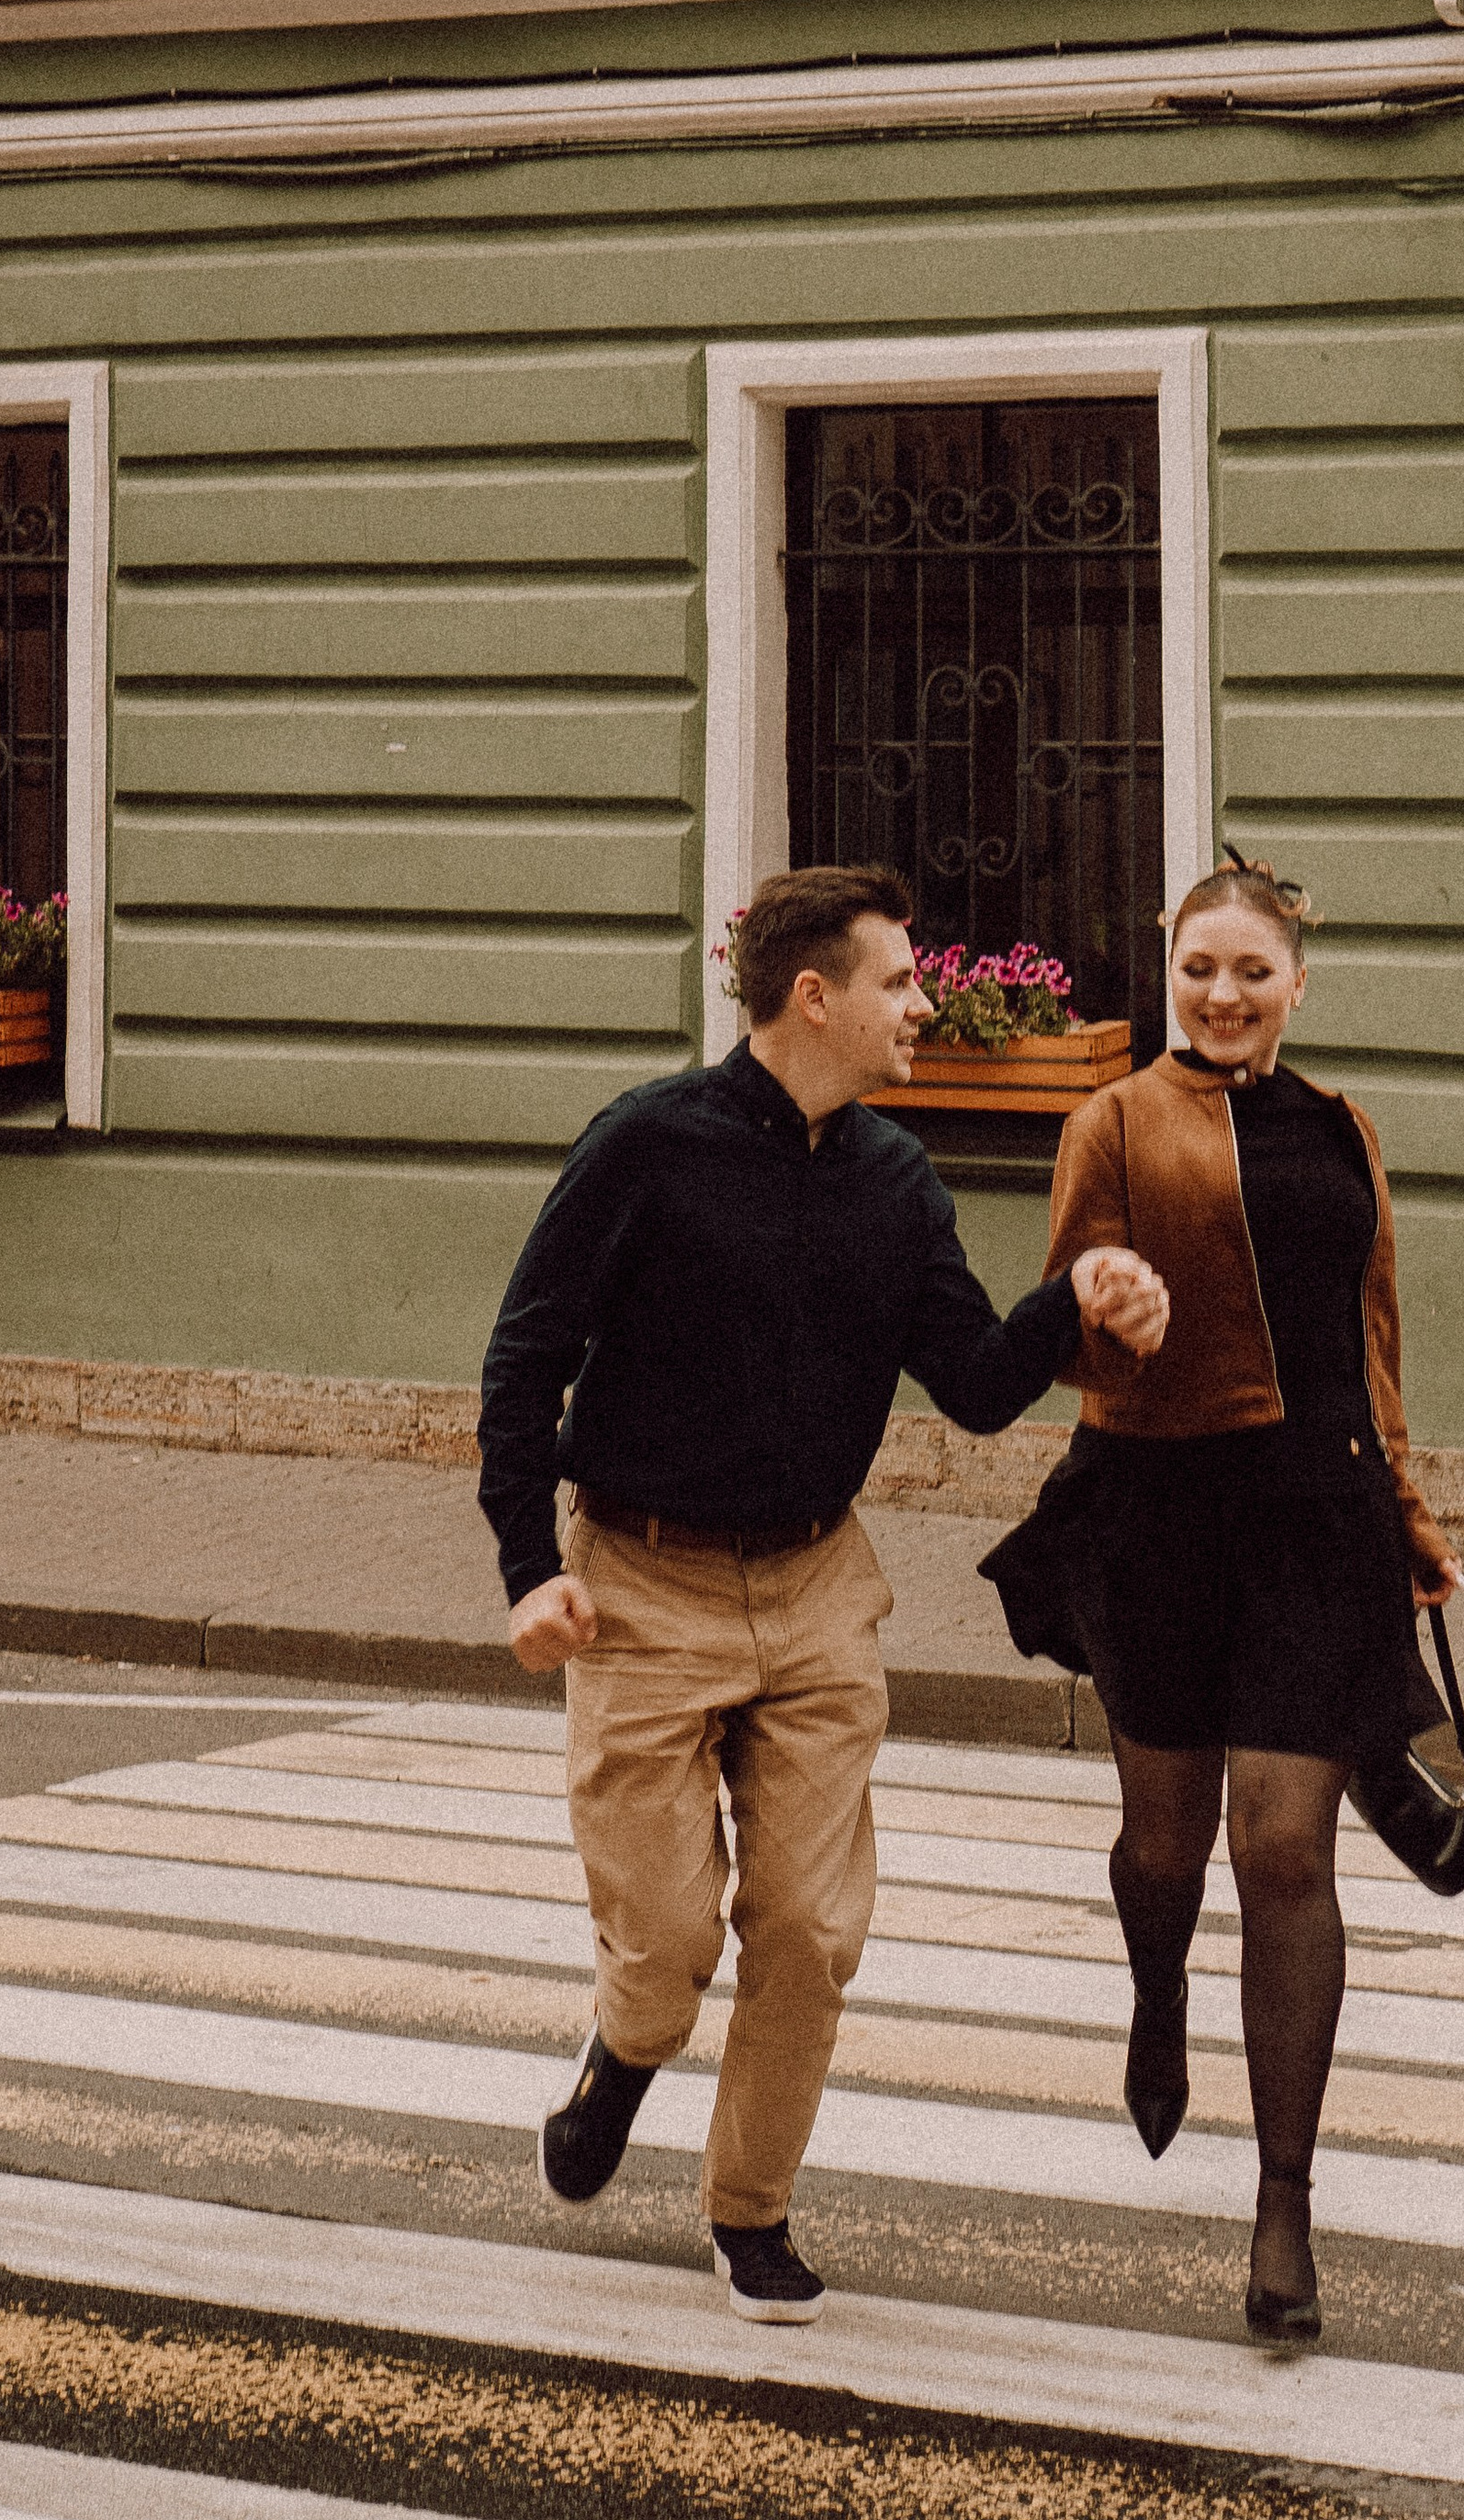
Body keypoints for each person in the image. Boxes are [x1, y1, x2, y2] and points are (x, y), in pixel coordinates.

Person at [478, 861, 1169, 2328]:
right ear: (816, 996)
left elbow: (978, 1389)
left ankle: (751, 2209)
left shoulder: (893, 1181)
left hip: (814, 1590)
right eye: (902, 982)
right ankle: (624, 2050)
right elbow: (525, 1355)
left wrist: (1079, 1299)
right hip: (642, 1587)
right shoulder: (647, 1146)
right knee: (666, 1948)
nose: (925, 1004)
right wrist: (530, 1570)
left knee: (811, 1926)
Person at [982, 849, 1464, 2345]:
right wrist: (1106, 1308)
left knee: (1285, 1851)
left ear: (1297, 986)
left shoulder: (1345, 1132)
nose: (1226, 993)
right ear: (1168, 972)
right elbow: (1068, 1321)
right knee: (1163, 1838)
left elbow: (1370, 1336)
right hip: (1162, 1513)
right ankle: (1153, 1992)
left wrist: (1408, 1509)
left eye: (1254, 971)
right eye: (1201, 968)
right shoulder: (1111, 1120)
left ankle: (1283, 2212)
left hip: (1318, 1520)